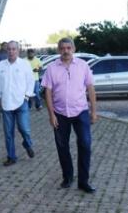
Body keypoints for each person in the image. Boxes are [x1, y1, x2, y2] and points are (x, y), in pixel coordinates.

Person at [41, 37, 98, 193]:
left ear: (73, 49)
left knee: (85, 145)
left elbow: (90, 88)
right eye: (62, 48)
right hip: (60, 114)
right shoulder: (52, 68)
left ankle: (83, 182)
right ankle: (67, 177)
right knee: (62, 146)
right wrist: (51, 115)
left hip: (80, 112)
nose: (65, 51)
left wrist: (93, 111)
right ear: (59, 50)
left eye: (68, 48)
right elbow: (48, 92)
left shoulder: (83, 66)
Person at [0, 41, 35, 166]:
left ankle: (27, 144)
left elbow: (30, 81)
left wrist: (27, 96)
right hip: (6, 103)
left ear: (18, 50)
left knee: (24, 129)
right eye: (9, 49)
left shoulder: (24, 64)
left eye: (14, 49)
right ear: (6, 51)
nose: (11, 51)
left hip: (21, 102)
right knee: (8, 133)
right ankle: (11, 156)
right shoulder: (1, 65)